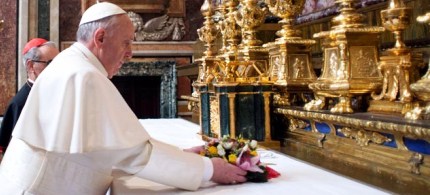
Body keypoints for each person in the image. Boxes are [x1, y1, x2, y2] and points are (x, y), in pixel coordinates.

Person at [0, 2, 246, 194]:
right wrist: (209, 169)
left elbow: (113, 147)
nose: (130, 53)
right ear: (100, 38)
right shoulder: (84, 75)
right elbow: (133, 154)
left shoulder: (72, 63)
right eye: (126, 43)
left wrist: (182, 155)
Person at [0, 38, 59, 151]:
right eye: (50, 63)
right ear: (31, 66)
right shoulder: (20, 103)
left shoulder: (57, 91)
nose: (57, 68)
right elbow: (15, 152)